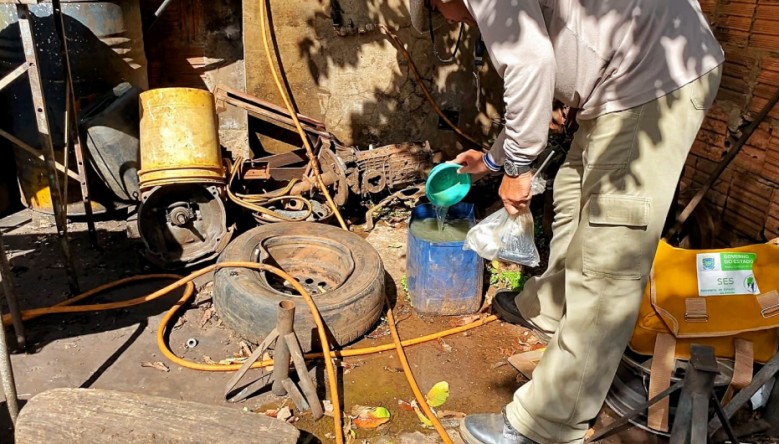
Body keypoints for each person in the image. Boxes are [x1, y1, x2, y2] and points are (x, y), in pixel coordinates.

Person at [407, 0, 723, 443]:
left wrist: (517, 168)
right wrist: (493, 160)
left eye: (435, 10)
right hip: (616, 86)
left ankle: (548, 423)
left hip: (653, 79)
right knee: (573, 191)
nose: (449, 19)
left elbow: (531, 62)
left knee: (608, 259)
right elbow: (539, 73)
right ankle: (549, 308)